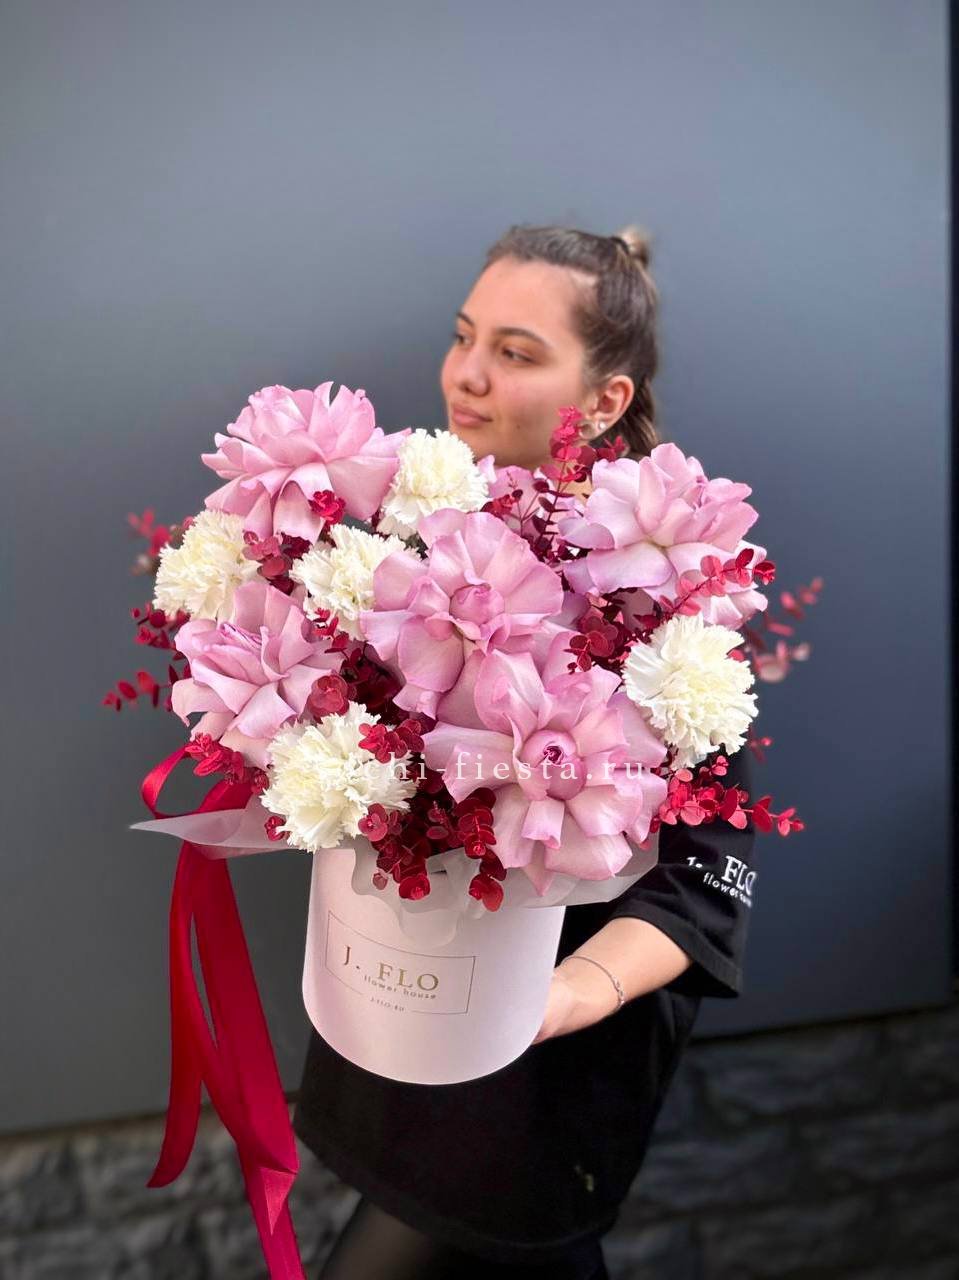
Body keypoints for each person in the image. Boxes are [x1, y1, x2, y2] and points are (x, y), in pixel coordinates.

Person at [292, 223, 759, 1279]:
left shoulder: (662, 608)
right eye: (464, 337)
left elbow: (701, 888)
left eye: (513, 351)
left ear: (602, 399)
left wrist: (547, 1002)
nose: (465, 373)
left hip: (532, 1090)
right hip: (402, 1045)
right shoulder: (414, 533)